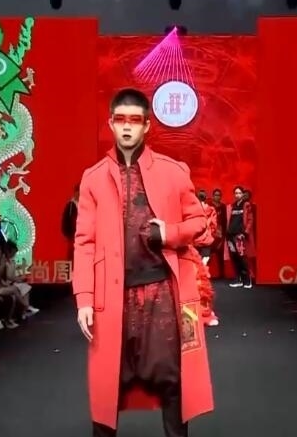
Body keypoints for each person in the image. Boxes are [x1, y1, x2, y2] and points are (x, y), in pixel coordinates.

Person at [72, 88, 213, 437]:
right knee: (108, 383)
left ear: (147, 125)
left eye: (134, 120)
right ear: (110, 123)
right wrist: (84, 298)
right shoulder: (94, 177)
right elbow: (84, 242)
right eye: (120, 119)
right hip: (111, 296)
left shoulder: (173, 171)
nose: (126, 127)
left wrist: (169, 233)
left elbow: (200, 223)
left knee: (172, 378)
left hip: (161, 291)